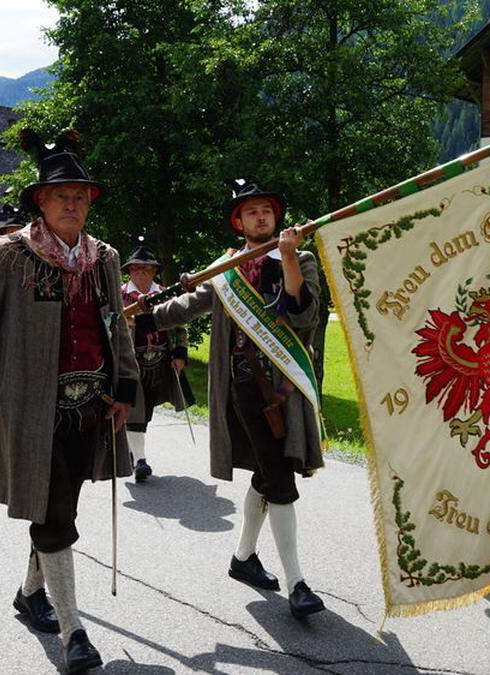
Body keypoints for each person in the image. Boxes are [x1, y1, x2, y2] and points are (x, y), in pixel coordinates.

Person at [0, 129, 138, 673]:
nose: (73, 205)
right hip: (33, 411)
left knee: (63, 508)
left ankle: (30, 593)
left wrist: (124, 389)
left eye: (81, 197)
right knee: (54, 514)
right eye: (62, 197)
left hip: (92, 408)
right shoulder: (6, 256)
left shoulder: (105, 259)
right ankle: (74, 632)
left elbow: (115, 329)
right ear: (41, 201)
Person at [135, 179, 326, 619]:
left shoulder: (302, 258)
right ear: (239, 223)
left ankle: (243, 558)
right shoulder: (226, 269)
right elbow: (186, 306)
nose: (262, 217)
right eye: (251, 212)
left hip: (286, 386)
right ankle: (297, 583)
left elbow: (304, 313)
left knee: (269, 472)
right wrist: (144, 319)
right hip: (241, 386)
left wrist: (292, 255)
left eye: (267, 210)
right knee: (278, 478)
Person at [120, 237, 192, 482]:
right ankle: (140, 460)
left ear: (154, 271)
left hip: (160, 361)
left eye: (147, 268)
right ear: (129, 270)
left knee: (147, 409)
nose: (142, 272)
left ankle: (132, 449)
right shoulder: (118, 295)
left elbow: (179, 325)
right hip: (129, 362)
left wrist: (180, 353)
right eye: (137, 268)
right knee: (135, 408)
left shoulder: (164, 294)